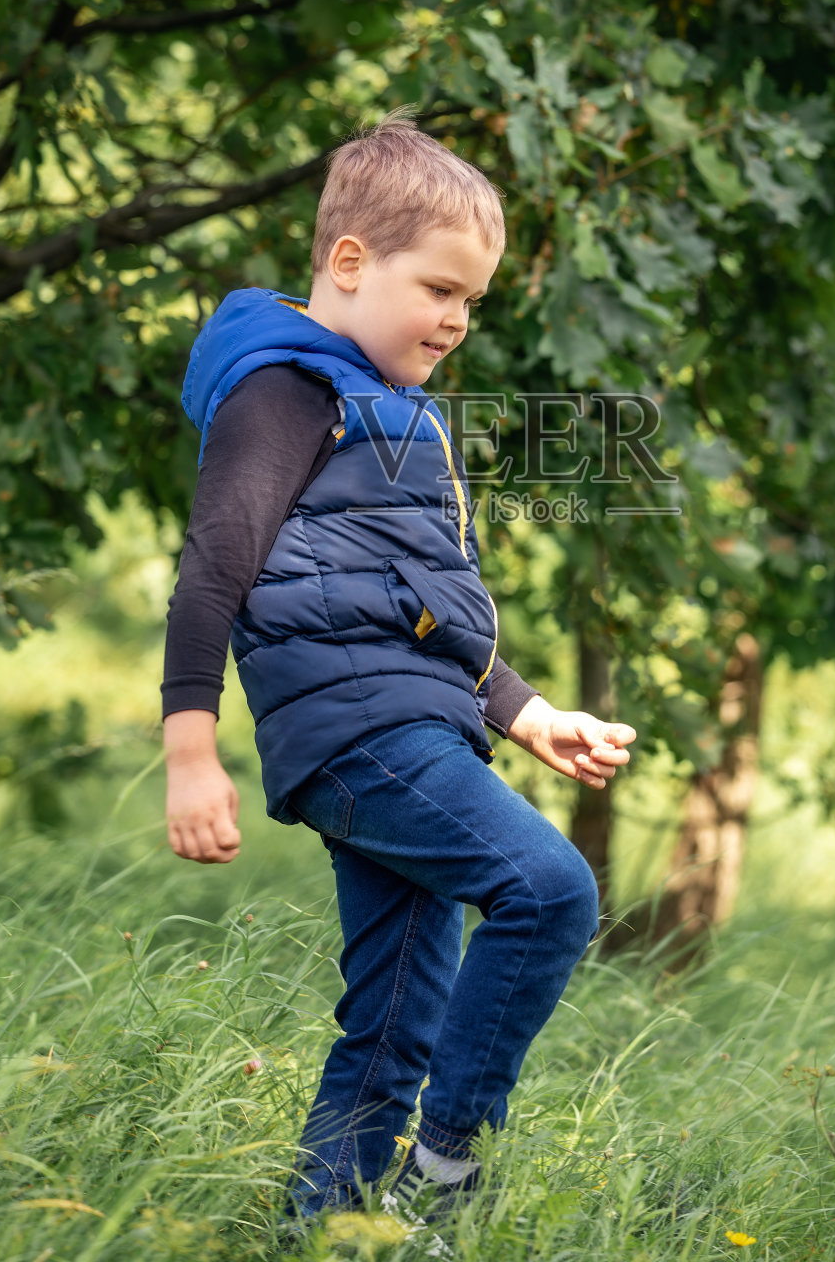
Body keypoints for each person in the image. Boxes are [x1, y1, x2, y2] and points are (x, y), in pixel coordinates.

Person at [161, 112, 636, 1227]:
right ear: (348, 262)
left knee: (390, 1025)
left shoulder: (387, 415)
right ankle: (448, 1169)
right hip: (361, 739)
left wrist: (524, 713)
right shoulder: (282, 392)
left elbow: (418, 609)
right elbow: (212, 566)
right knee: (550, 888)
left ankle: (318, 1235)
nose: (458, 320)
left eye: (472, 301)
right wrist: (191, 748)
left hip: (405, 724)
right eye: (439, 289)